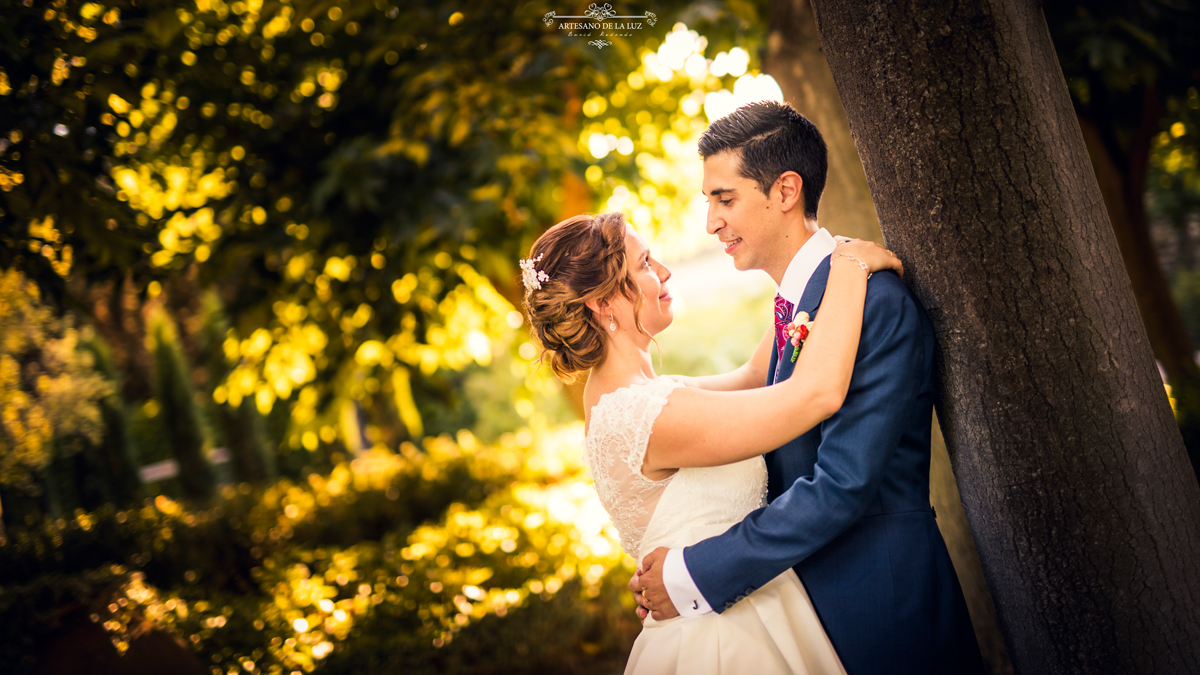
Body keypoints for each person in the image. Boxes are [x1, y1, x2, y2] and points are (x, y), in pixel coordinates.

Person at [630, 101, 984, 674]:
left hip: (877, 607)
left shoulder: (875, 304)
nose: (711, 222)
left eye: (725, 199)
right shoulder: (795, 306)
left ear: (786, 190)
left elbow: (843, 483)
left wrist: (695, 572)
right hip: (802, 610)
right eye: (709, 202)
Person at [520, 209, 901, 674]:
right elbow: (815, 395)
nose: (663, 272)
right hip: (724, 639)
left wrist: (809, 270)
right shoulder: (647, 415)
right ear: (601, 304)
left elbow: (756, 375)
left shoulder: (637, 398)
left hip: (730, 607)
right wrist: (849, 268)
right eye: (643, 265)